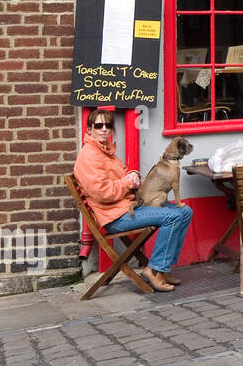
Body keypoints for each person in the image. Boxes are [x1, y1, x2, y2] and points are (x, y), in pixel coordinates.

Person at [74, 108, 192, 293]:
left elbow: (122, 176)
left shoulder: (104, 151)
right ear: (89, 130)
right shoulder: (89, 156)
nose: (104, 129)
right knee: (173, 217)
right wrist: (128, 182)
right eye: (98, 126)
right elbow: (103, 193)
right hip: (116, 217)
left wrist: (132, 174)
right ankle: (154, 270)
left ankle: (164, 267)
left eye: (108, 125)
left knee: (185, 212)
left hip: (127, 207)